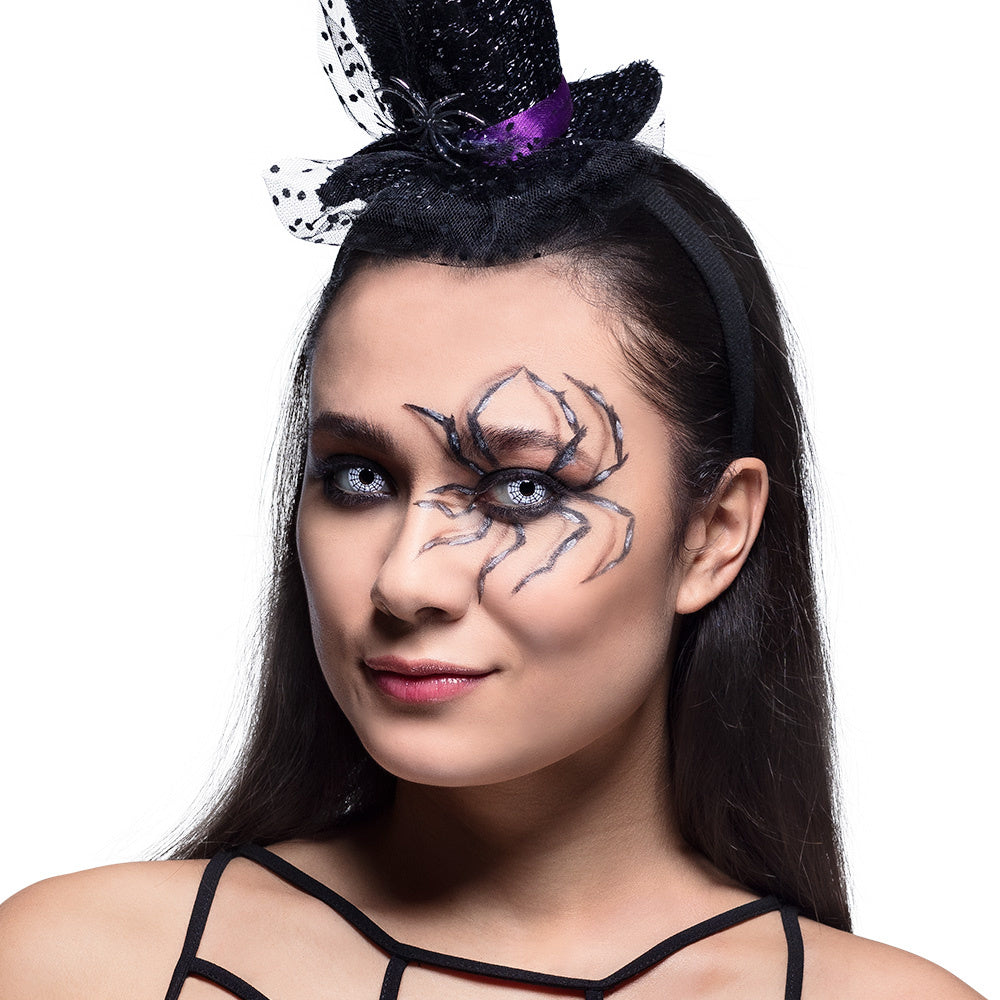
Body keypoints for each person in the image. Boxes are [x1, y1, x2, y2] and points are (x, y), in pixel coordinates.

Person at [0, 1, 988, 997]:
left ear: (713, 534)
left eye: (521, 488)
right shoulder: (76, 966)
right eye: (359, 477)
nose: (406, 580)